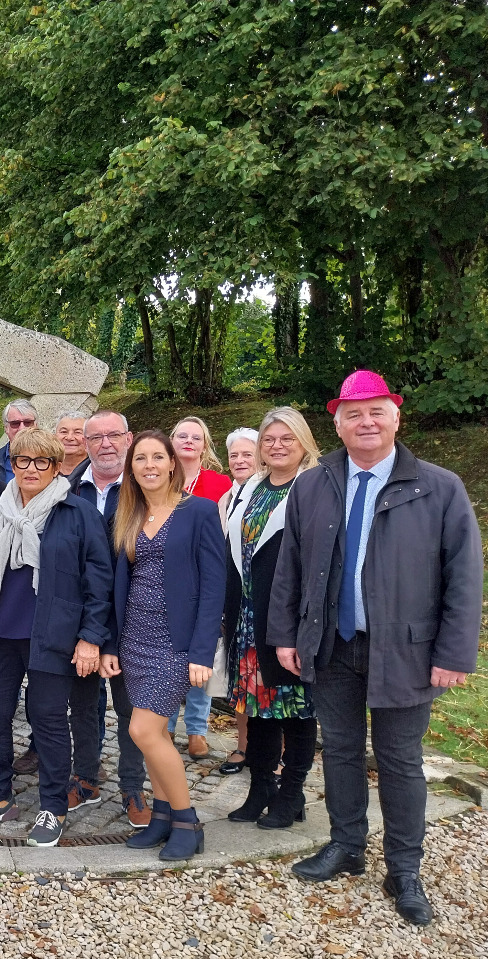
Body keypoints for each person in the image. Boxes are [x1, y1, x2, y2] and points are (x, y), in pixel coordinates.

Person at [270, 371, 482, 926]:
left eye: (376, 412)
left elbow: (463, 577)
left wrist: (454, 654)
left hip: (406, 650)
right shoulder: (313, 486)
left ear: (395, 416)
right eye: (353, 414)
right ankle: (346, 845)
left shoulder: (439, 488)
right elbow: (290, 567)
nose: (366, 422)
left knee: (399, 761)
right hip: (332, 646)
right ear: (336, 424)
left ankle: (404, 868)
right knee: (339, 750)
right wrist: (287, 636)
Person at [0, 428, 113, 847]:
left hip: (52, 636)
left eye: (41, 461)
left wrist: (91, 637)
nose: (30, 469)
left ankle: (53, 806)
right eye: (22, 460)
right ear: (13, 465)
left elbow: (99, 583)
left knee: (46, 720)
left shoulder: (77, 513)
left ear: (56, 465)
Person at [104, 430, 225, 862]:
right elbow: (119, 583)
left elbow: (214, 587)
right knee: (151, 734)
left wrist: (201, 653)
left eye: (159, 457)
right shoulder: (128, 514)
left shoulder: (200, 512)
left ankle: (188, 821)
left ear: (173, 463)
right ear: (131, 467)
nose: (150, 465)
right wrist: (109, 644)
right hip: (134, 638)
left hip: (175, 643)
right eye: (141, 459)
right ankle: (161, 817)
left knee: (141, 730)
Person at [222, 408, 321, 829]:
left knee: (296, 708)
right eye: (269, 439)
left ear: (304, 444)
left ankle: (292, 791)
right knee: (258, 706)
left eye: (287, 438)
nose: (277, 446)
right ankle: (261, 785)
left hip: (290, 619)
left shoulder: (315, 487)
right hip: (248, 615)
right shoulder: (253, 488)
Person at [68, 409, 151, 829]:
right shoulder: (67, 491)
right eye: (96, 437)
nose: (105, 444)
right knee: (82, 706)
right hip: (81, 622)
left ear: (129, 438)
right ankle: (85, 778)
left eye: (113, 435)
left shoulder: (144, 491)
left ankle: (133, 788)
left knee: (130, 710)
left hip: (132, 620)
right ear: (84, 445)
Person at [167, 415, 231, 759]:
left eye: (196, 437)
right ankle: (164, 727)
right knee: (165, 657)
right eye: (182, 435)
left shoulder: (220, 484)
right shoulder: (159, 478)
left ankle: (196, 730)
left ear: (205, 445)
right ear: (171, 442)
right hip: (165, 579)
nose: (189, 441)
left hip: (204, 577)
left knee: (200, 655)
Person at [218, 425, 260, 776]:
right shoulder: (227, 498)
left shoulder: (274, 492)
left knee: (270, 679)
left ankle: (275, 755)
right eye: (234, 455)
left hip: (264, 601)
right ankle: (243, 747)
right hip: (235, 600)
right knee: (240, 676)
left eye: (248, 453)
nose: (240, 460)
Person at [0, 400, 38, 476]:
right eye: (15, 423)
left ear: (36, 425)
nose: (22, 428)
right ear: (6, 428)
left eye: (27, 422)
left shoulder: (50, 459)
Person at [53, 411, 89, 477]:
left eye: (77, 432)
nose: (69, 437)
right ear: (54, 436)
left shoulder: (98, 471)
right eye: (64, 432)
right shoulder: (43, 468)